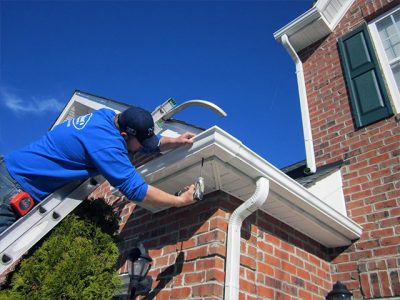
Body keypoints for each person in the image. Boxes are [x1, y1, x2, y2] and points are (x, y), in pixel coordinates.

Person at [0, 106, 197, 234]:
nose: (142, 148)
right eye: (140, 143)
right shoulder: (106, 145)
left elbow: (139, 143)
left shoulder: (106, 116)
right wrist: (179, 201)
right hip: (12, 190)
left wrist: (174, 141)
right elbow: (135, 189)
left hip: (10, 172)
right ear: (122, 135)